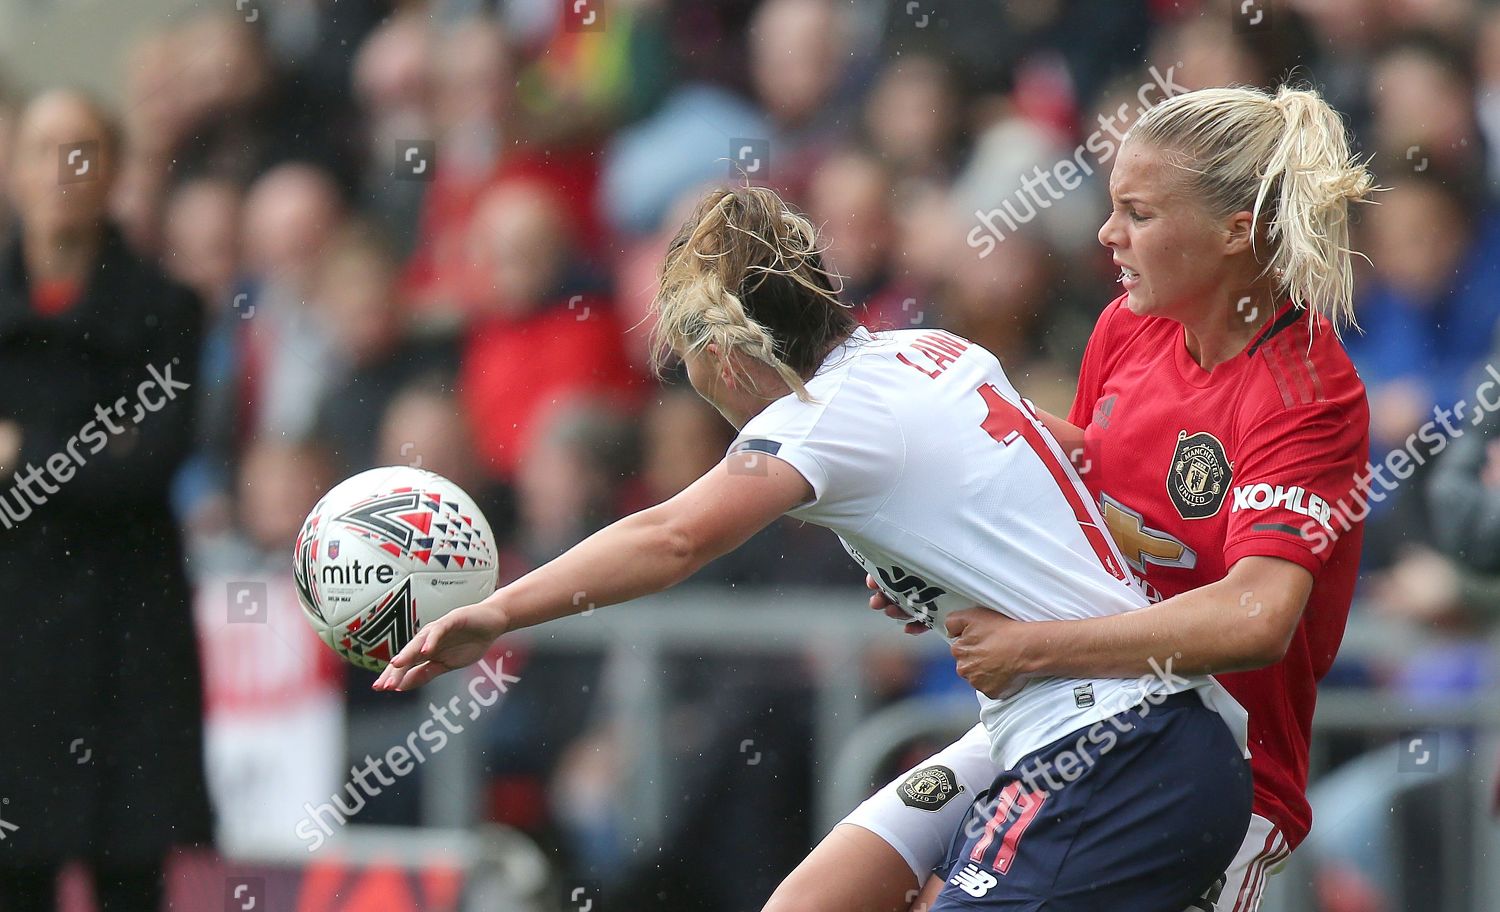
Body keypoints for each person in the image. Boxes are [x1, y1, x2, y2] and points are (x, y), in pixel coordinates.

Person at [375, 184, 1253, 910]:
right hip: (1091, 727)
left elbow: (672, 536)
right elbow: (1039, 473)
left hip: (1116, 753)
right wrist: (928, 573)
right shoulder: (929, 347)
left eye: (687, 361)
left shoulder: (821, 419)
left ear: (727, 351)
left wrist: (495, 612)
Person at [826, 83, 1373, 912]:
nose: (1106, 234)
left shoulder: (1306, 394)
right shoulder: (1130, 325)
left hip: (1210, 776)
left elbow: (1255, 619)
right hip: (1061, 722)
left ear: (1235, 230)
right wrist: (932, 566)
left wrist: (1031, 648)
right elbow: (1062, 502)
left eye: (1139, 214)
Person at [0, 90, 211, 910]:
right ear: (15, 168)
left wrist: (19, 449)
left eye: (84, 149)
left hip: (129, 649)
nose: (64, 171)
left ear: (115, 170)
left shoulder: (163, 311)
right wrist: (92, 450)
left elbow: (149, 461)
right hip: (14, 656)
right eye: (45, 149)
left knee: (131, 877)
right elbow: (117, 459)